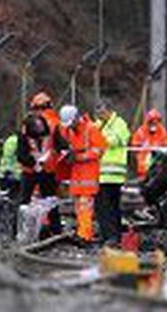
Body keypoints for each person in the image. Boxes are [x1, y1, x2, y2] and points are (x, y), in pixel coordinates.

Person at [56, 105, 107, 244]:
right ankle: (81, 232)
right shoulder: (70, 131)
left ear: (77, 118)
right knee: (79, 206)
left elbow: (100, 150)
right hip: (77, 174)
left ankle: (85, 235)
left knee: (85, 206)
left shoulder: (91, 129)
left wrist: (80, 157)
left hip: (88, 174)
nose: (69, 126)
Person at [17, 113, 62, 236]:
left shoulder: (51, 131)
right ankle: (21, 229)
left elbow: (60, 145)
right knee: (24, 201)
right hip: (30, 171)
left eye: (41, 125)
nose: (40, 128)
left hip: (47, 170)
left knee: (51, 199)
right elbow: (21, 155)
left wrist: (61, 152)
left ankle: (56, 228)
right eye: (37, 126)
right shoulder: (23, 136)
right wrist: (33, 163)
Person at [94, 99, 130, 244]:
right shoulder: (98, 124)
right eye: (97, 113)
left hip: (112, 174)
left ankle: (112, 236)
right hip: (100, 175)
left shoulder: (119, 124)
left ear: (109, 110)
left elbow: (116, 140)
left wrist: (98, 138)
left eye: (102, 112)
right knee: (103, 207)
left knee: (108, 206)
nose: (99, 115)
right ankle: (108, 235)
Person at [131, 109, 167, 181]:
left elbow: (166, 147)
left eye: (156, 122)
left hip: (157, 170)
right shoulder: (141, 132)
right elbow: (135, 147)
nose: (153, 124)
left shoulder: (162, 132)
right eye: (151, 122)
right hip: (143, 170)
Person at [0, 133, 21, 198]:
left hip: (6, 172)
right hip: (14, 174)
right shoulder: (16, 141)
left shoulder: (11, 140)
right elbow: (10, 156)